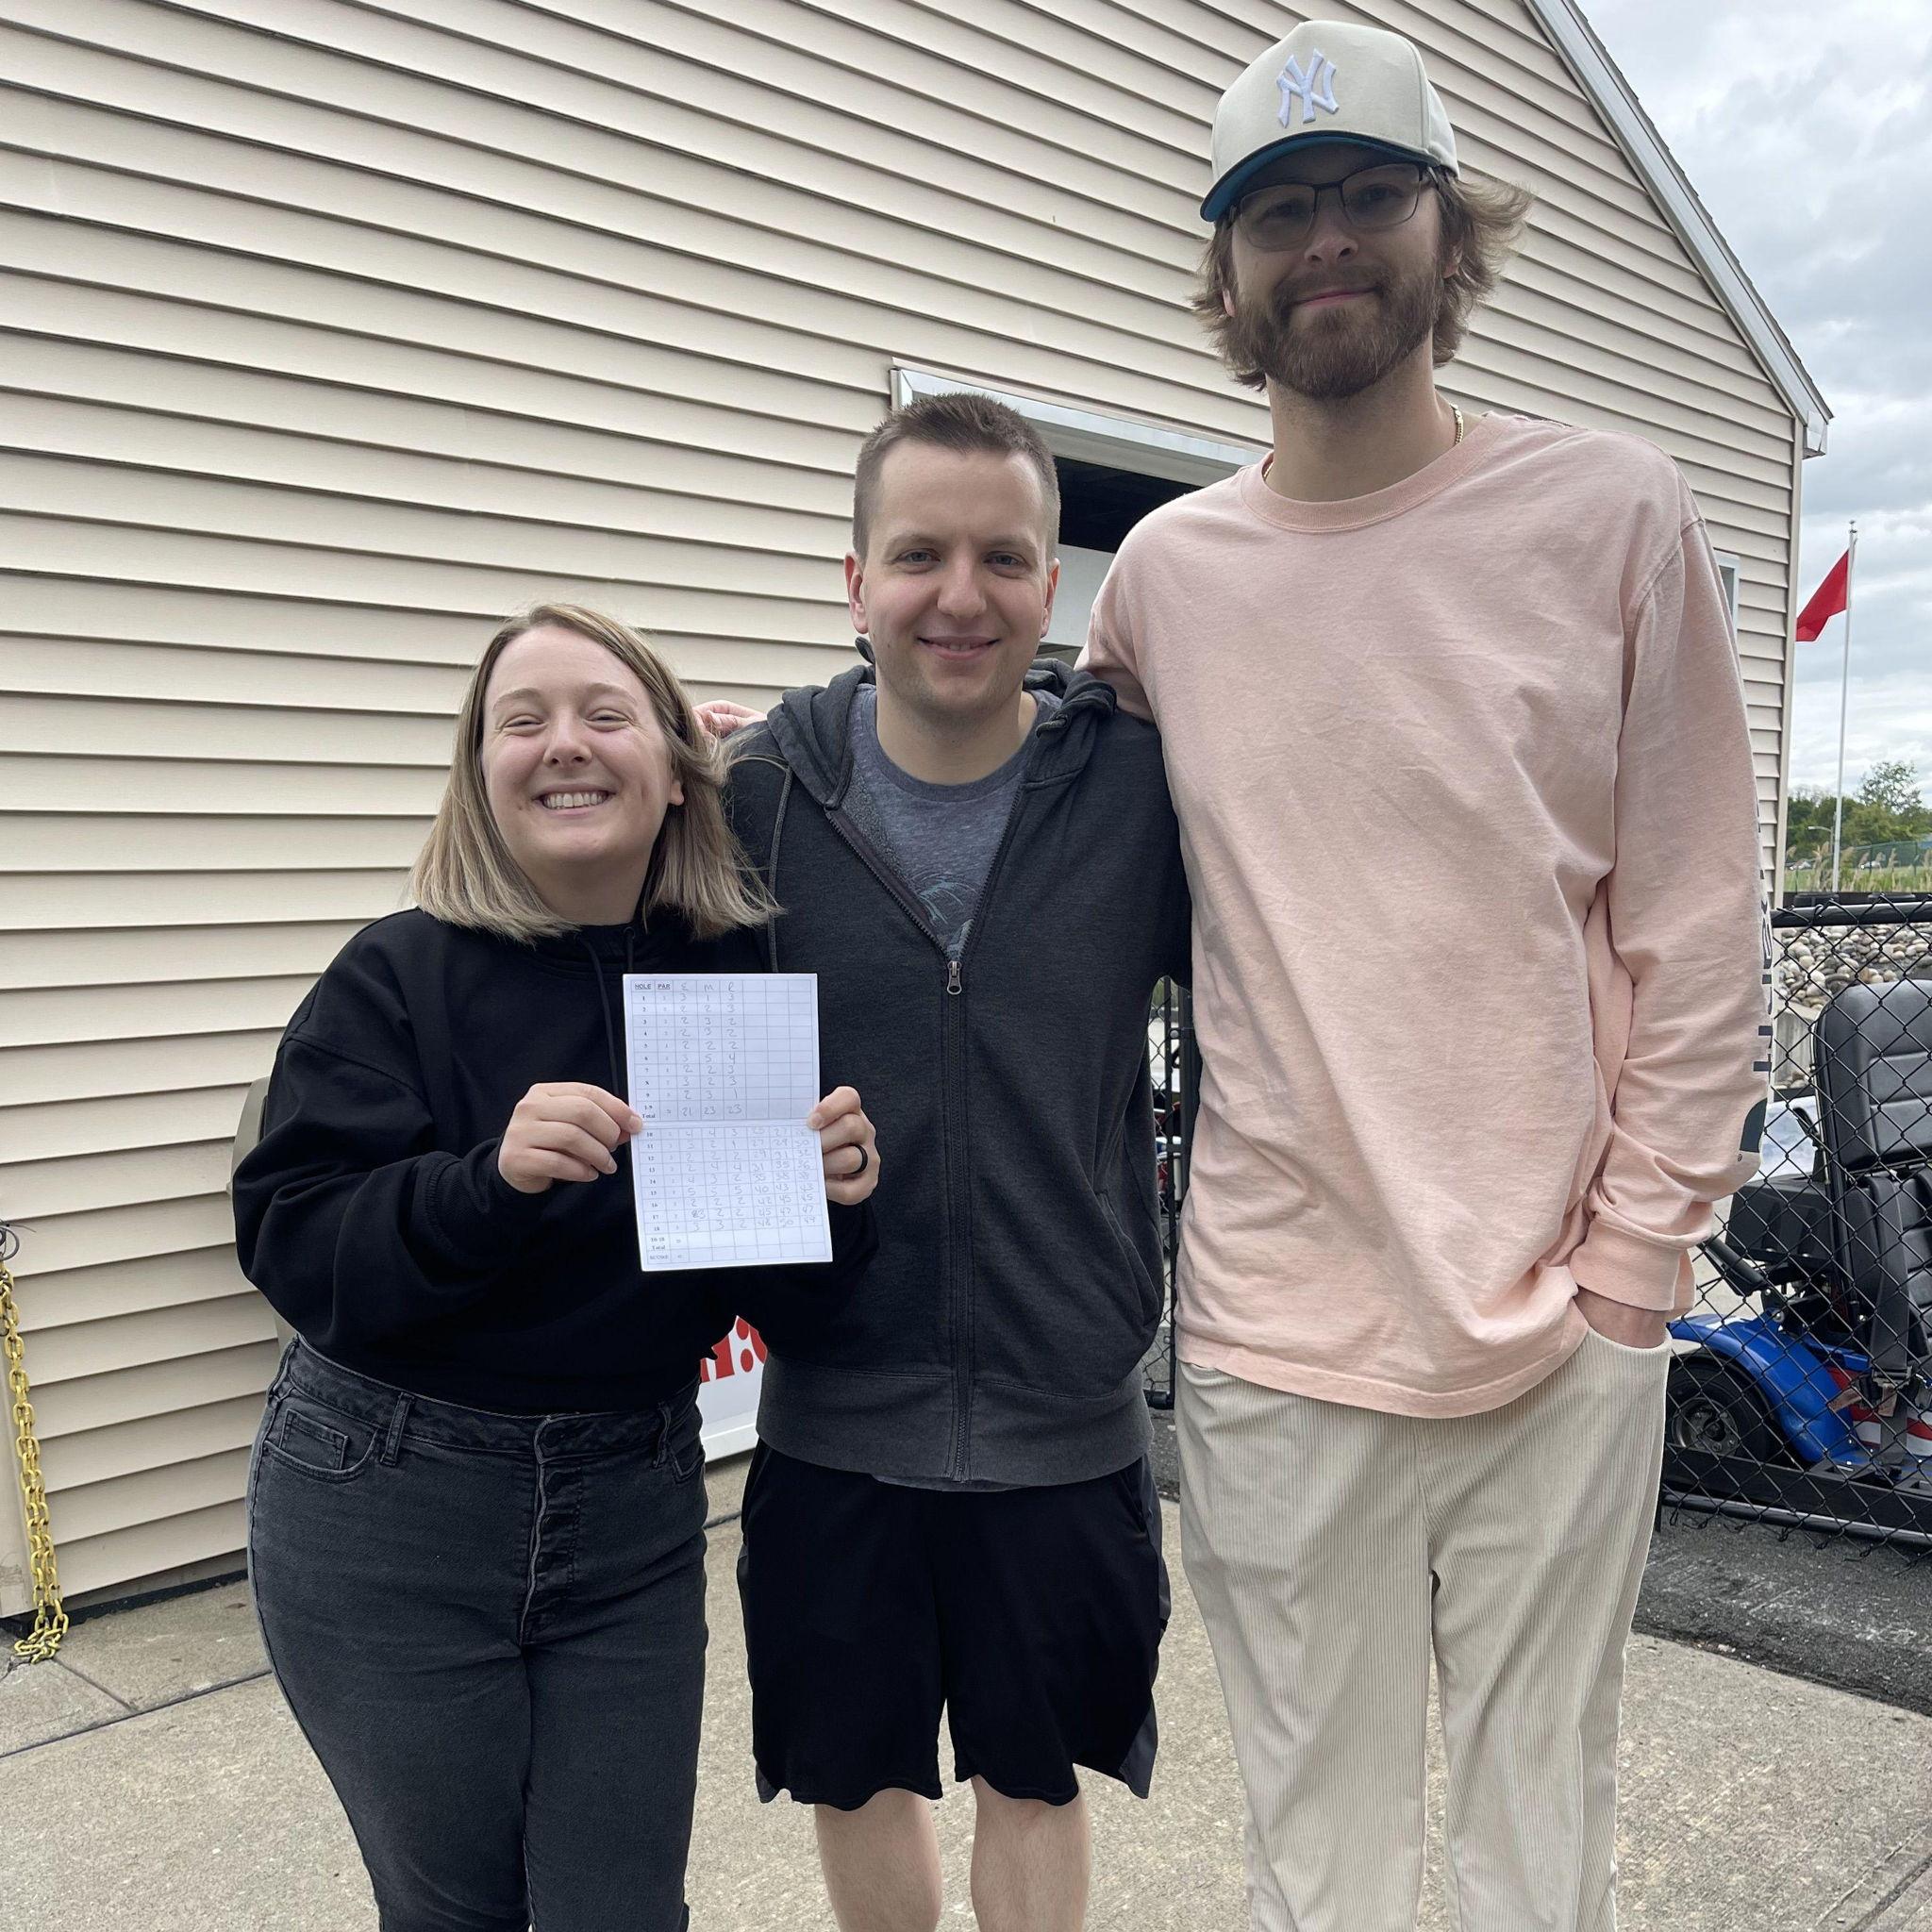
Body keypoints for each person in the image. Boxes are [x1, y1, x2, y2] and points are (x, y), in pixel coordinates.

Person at [1079, 20, 1770, 1932]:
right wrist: (763, 769)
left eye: (1370, 193)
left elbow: (1698, 916)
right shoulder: (1163, 582)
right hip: (1270, 1332)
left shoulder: (1614, 514)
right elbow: (1018, 819)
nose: (1326, 238)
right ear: (1225, 271)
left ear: (1449, 233)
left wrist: (1636, 1271)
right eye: (1276, 210)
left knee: (1541, 1835)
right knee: (1320, 1853)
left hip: (1562, 1317)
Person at [232, 602, 879, 1932]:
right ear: (481, 774)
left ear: (675, 768)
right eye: (520, 721)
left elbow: (796, 1303)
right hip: (391, 1501)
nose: (564, 745)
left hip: (629, 1502)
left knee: (622, 1909)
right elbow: (294, 1237)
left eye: (604, 714)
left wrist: (834, 1205)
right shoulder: (397, 975)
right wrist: (489, 1184)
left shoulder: (731, 978)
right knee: (454, 1912)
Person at [703, 391, 1191, 1932]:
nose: (959, 595)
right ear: (856, 581)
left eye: (1003, 556)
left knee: (1036, 1780)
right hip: (837, 1415)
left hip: (1065, 1416)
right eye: (918, 555)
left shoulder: (1144, 795)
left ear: (1054, 587)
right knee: (855, 1778)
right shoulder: (754, 799)